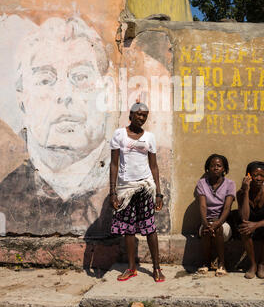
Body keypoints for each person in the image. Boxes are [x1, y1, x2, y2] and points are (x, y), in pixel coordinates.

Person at [0, 17, 115, 236]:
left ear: (107, 93)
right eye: (45, 80)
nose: (64, 95)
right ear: (22, 98)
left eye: (80, 77)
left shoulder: (129, 179)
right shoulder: (4, 191)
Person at [109, 102, 165, 283]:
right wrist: (113, 192)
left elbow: (154, 166)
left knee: (150, 228)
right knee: (128, 229)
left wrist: (158, 193)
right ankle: (131, 268)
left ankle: (156, 268)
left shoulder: (149, 137)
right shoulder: (119, 135)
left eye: (145, 116)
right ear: (131, 114)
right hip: (126, 188)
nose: (142, 118)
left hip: (145, 186)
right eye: (139, 114)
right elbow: (114, 164)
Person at [197, 154, 236, 276]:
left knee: (218, 228)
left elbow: (227, 208)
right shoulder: (202, 183)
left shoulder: (230, 184)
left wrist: (217, 224)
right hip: (206, 221)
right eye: (212, 165)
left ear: (224, 169)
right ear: (208, 168)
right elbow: (203, 206)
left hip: (223, 222)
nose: (216, 168)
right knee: (205, 230)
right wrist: (206, 224)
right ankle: (205, 262)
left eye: (219, 165)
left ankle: (222, 264)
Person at [237, 161, 264, 279]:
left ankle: (261, 264)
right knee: (244, 228)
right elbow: (244, 218)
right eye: (255, 175)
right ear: (248, 176)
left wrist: (255, 225)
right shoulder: (240, 193)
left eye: (262, 175)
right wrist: (246, 191)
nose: (259, 178)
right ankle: (253, 264)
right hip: (248, 226)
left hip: (262, 226)